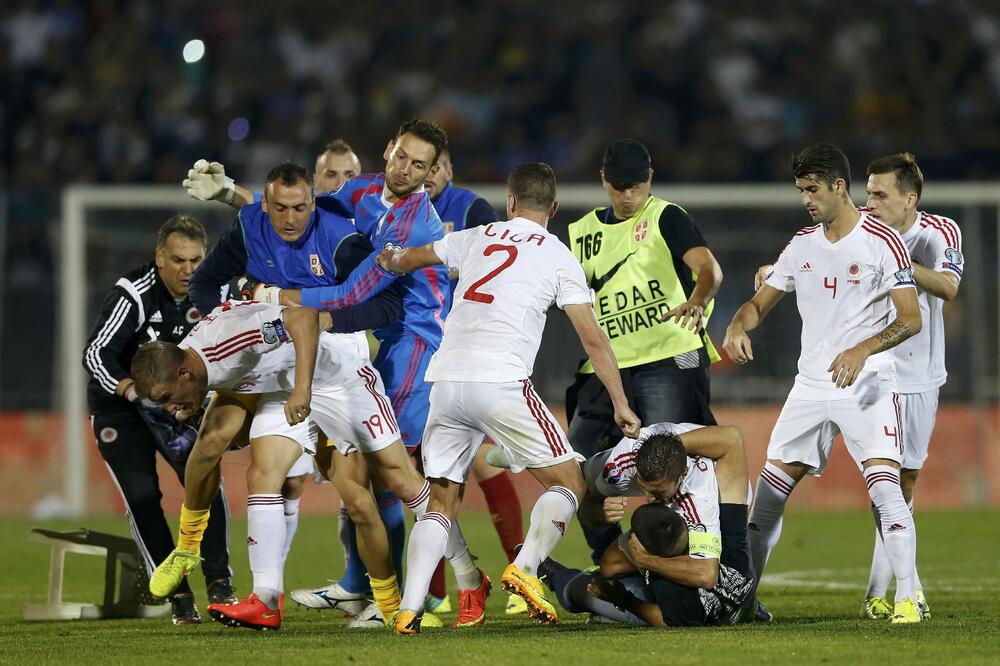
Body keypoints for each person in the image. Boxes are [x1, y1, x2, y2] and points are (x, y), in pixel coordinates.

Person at [186, 120, 489, 627]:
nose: (405, 170)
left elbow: (352, 294)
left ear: (433, 171)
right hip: (371, 339)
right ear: (388, 148)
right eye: (401, 157)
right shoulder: (362, 188)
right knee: (370, 479)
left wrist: (279, 298)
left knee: (393, 477)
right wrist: (234, 195)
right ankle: (391, 590)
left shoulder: (414, 224)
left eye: (419, 165)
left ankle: (441, 586)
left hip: (417, 339)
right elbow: (298, 217)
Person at [376, 162, 641, 634]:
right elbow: (593, 339)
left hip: (447, 382)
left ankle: (409, 610)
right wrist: (620, 402)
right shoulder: (559, 256)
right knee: (570, 484)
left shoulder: (478, 235)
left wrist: (389, 256)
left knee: (440, 503)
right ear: (553, 209)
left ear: (511, 201)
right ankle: (527, 565)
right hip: (500, 382)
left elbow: (410, 258)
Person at [723, 143, 924, 624]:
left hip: (868, 381)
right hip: (811, 386)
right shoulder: (801, 244)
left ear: (839, 186)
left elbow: (911, 319)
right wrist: (736, 325)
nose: (806, 198)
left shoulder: (883, 241)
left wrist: (861, 350)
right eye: (800, 190)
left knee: (884, 488)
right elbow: (758, 304)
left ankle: (907, 597)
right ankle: (744, 601)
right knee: (767, 496)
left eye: (812, 189)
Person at [564, 139, 724, 563]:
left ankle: (702, 563)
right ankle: (613, 564)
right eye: (619, 186)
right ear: (603, 180)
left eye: (636, 185)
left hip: (669, 359)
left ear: (650, 178)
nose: (628, 195)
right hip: (606, 370)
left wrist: (698, 300)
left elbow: (708, 269)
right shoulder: (580, 234)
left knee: (681, 467)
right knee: (573, 470)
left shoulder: (666, 217)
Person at [82, 215, 236, 624]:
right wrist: (135, 392)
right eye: (178, 260)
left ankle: (220, 583)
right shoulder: (134, 293)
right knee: (144, 498)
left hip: (176, 408)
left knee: (204, 482)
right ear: (159, 259)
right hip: (122, 409)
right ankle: (179, 595)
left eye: (196, 259)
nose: (188, 270)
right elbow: (96, 354)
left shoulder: (213, 290)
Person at [422, 147, 526, 615]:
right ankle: (440, 589)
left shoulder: (472, 211)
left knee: (484, 466)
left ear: (448, 170)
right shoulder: (397, 211)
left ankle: (521, 575)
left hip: (467, 355)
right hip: (420, 356)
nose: (427, 175)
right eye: (421, 167)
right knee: (423, 469)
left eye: (436, 166)